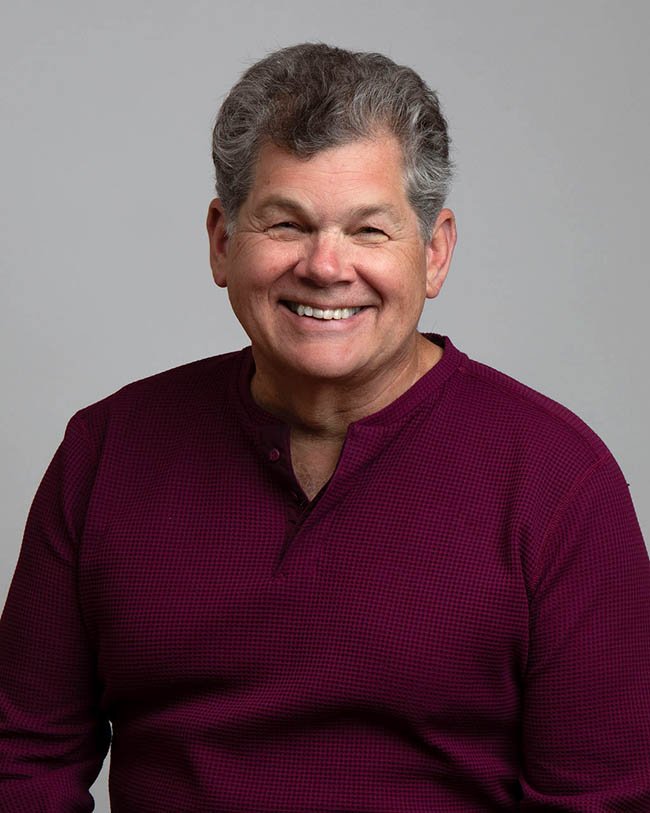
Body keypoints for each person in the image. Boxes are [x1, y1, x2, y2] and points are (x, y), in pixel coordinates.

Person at [1, 42, 649, 812]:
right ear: (221, 240)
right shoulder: (105, 452)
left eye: (370, 230)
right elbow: (22, 763)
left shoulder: (557, 483)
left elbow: (599, 800)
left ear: (434, 254)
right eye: (286, 223)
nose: (325, 266)